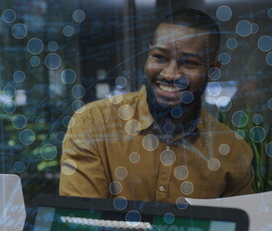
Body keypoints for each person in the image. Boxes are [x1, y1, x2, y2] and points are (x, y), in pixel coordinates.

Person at [59, 9, 254, 203]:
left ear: (212, 70)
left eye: (189, 62)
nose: (170, 74)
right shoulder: (93, 123)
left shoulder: (232, 151)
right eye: (160, 57)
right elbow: (81, 225)